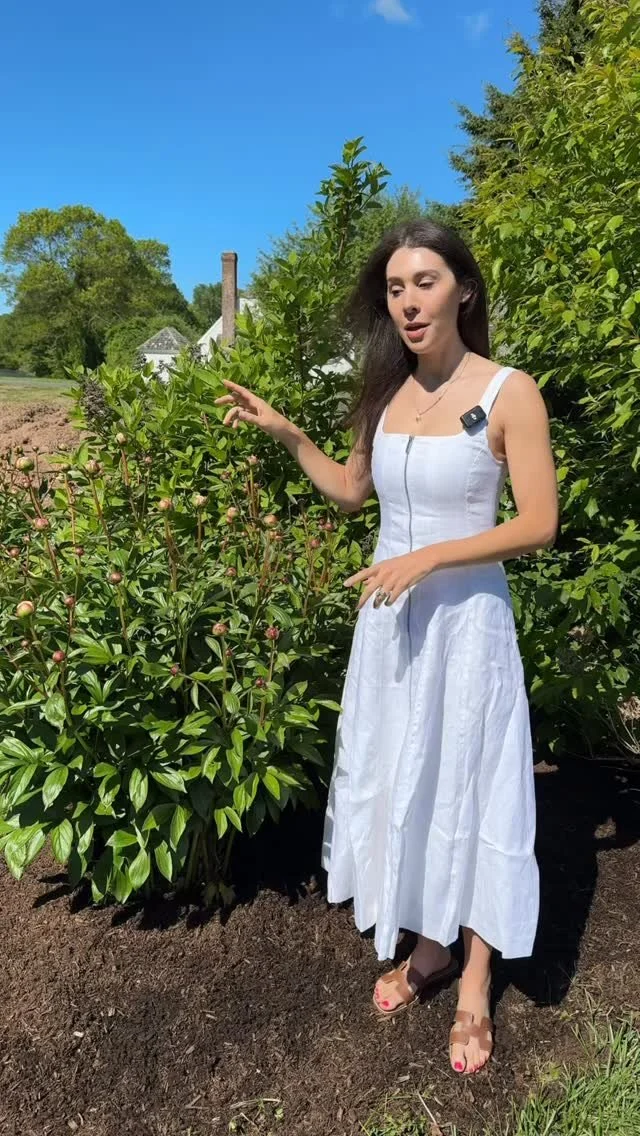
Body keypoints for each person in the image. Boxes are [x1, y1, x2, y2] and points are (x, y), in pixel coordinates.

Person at [214, 220, 558, 1075]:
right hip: (391, 630)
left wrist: (428, 556)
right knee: (411, 776)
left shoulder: (509, 392)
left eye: (425, 282)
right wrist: (288, 433)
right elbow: (349, 490)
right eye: (396, 288)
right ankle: (430, 946)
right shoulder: (386, 392)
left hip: (466, 627)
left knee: (473, 783)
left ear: (463, 290)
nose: (407, 301)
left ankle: (475, 975)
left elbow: (539, 524)